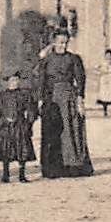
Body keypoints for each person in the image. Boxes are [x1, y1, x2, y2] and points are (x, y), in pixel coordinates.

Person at [35, 30, 93, 178]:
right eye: (60, 42)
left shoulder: (74, 59)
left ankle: (73, 166)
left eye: (66, 42)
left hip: (69, 99)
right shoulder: (46, 60)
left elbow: (80, 79)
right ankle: (53, 168)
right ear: (54, 42)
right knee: (52, 132)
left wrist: (80, 98)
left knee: (70, 130)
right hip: (52, 100)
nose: (63, 45)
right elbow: (41, 80)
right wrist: (41, 100)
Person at [0, 72, 37, 183]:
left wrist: (28, 123)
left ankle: (22, 175)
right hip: (6, 126)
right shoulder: (2, 95)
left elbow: (31, 110)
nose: (14, 83)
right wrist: (2, 122)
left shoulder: (24, 94)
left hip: (20, 125)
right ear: (7, 83)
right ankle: (5, 175)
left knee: (22, 150)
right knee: (5, 150)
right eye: (12, 81)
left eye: (16, 80)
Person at [94, 49, 111, 117]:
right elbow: (96, 68)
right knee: (104, 95)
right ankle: (105, 110)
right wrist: (100, 72)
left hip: (110, 78)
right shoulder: (102, 62)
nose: (108, 57)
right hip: (104, 79)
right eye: (107, 55)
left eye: (110, 55)